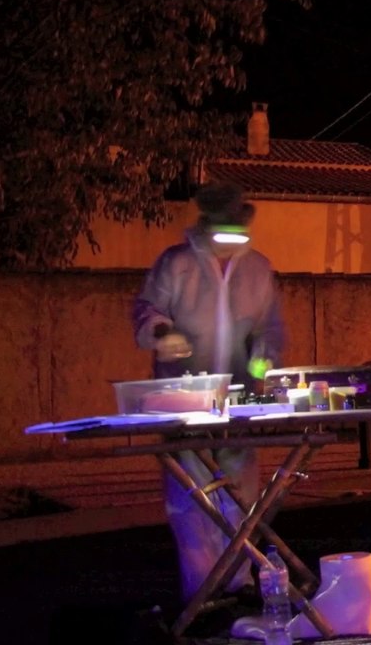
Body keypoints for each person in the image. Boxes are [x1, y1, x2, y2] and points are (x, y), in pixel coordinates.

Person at [132, 180, 287, 603]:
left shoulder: (257, 268)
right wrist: (162, 333)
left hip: (237, 400)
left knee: (242, 494)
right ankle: (204, 591)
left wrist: (264, 357)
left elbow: (269, 327)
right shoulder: (176, 264)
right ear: (205, 228)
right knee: (192, 497)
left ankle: (238, 583)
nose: (228, 246)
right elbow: (147, 308)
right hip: (184, 399)